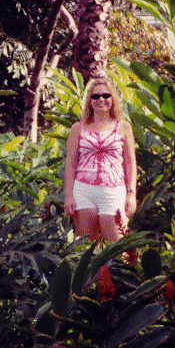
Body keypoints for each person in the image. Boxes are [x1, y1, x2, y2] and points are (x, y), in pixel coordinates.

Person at [64, 76, 137, 242]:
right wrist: (68, 196)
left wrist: (131, 194)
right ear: (89, 101)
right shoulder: (78, 128)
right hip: (83, 192)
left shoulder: (123, 127)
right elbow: (71, 164)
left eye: (106, 95)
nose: (101, 100)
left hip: (114, 192)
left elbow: (131, 163)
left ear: (113, 99)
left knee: (120, 250)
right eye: (95, 96)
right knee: (86, 249)